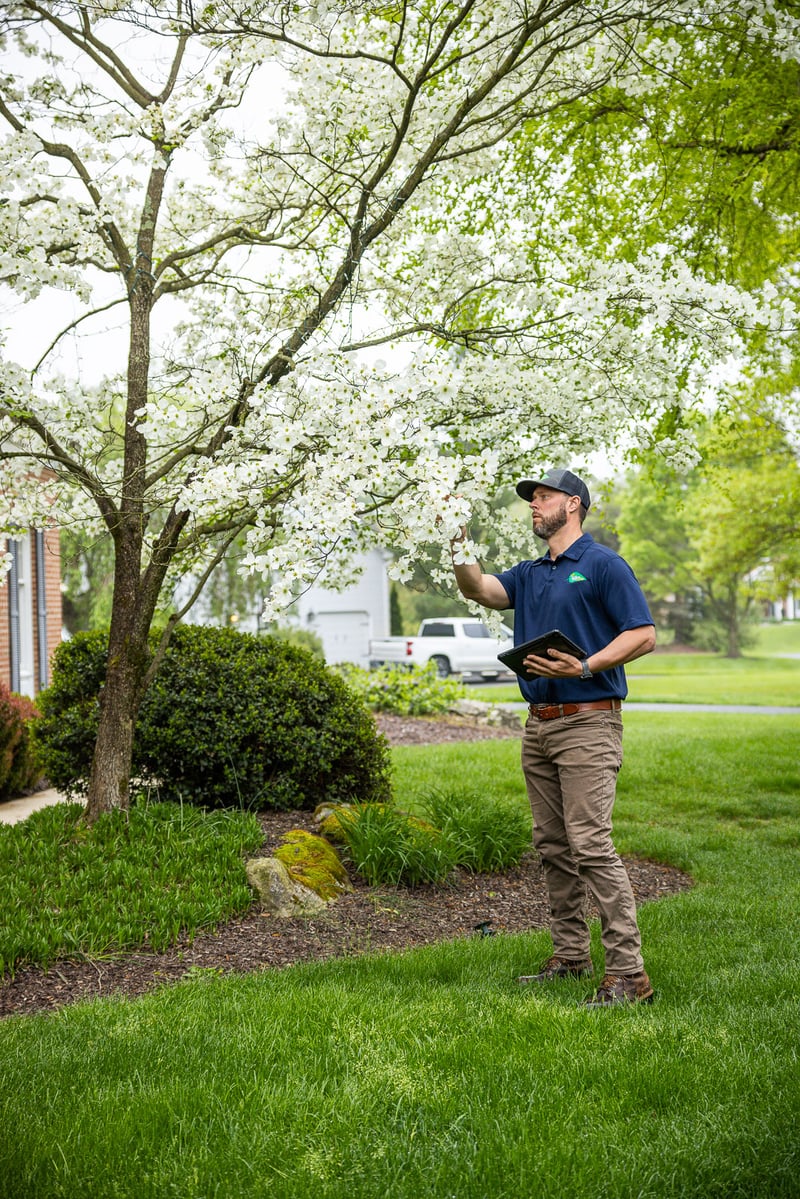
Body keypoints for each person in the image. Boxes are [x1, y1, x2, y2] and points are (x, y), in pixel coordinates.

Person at [450, 467, 656, 1007]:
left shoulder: (603, 565)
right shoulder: (530, 572)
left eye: (543, 497)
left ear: (574, 504)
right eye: (532, 499)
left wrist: (585, 665)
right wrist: (456, 537)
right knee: (553, 846)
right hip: (538, 725)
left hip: (589, 720)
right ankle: (569, 958)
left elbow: (643, 634)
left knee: (590, 844)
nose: (534, 506)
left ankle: (629, 976)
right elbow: (478, 587)